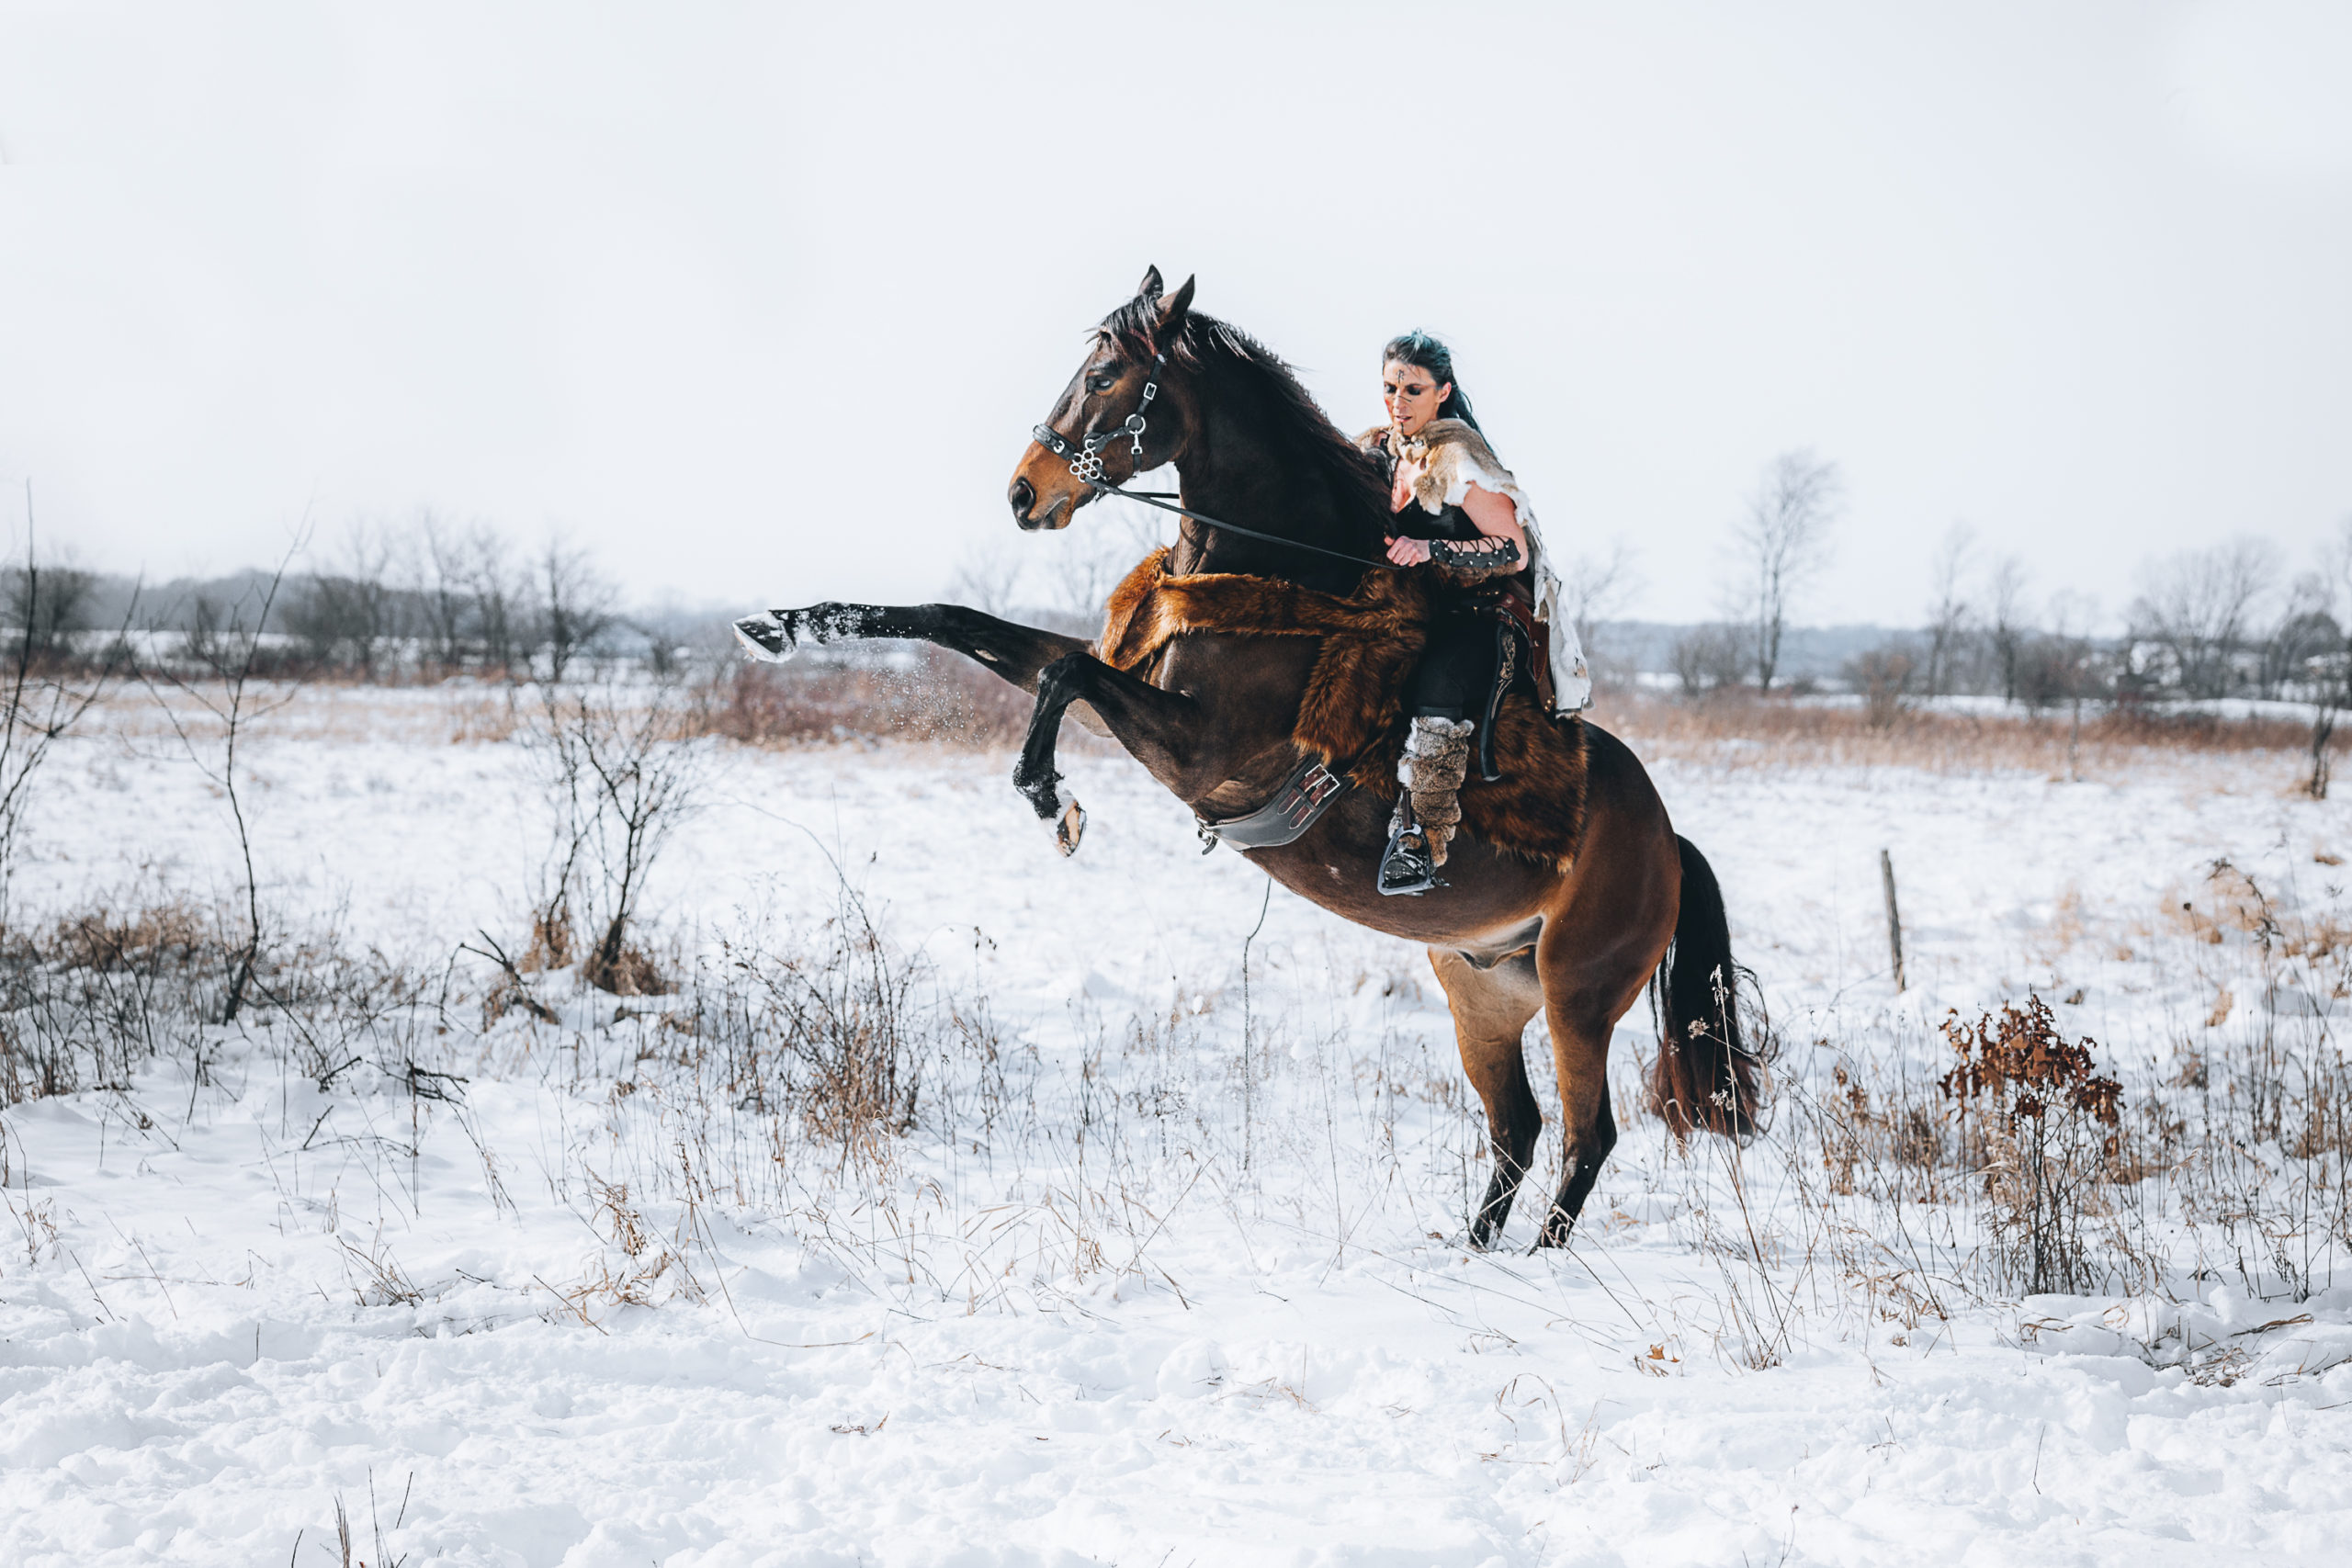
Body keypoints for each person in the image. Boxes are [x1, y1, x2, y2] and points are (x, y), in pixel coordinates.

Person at [1355, 332, 1591, 896]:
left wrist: (1431, 548)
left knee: (1440, 675)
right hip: (1412, 608)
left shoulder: (1459, 458)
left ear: (1443, 393)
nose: (1398, 401)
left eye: (1413, 389)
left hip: (1480, 615)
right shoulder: (1380, 451)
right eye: (1390, 387)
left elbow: (1514, 548)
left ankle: (1420, 839)